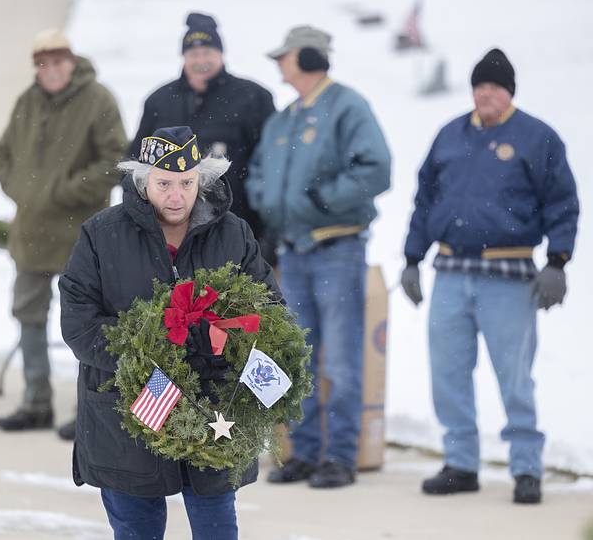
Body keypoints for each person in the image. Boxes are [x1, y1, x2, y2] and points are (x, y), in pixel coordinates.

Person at [59, 126, 278, 539]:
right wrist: (156, 350)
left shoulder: (234, 234)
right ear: (143, 182)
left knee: (217, 528)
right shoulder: (100, 235)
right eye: (164, 184)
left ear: (202, 179)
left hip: (213, 411)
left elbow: (269, 310)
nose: (176, 196)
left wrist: (223, 344)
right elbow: (79, 323)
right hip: (127, 411)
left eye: (186, 183)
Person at [401, 48, 579, 505]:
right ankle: (461, 463)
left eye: (495, 87)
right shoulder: (449, 136)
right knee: (449, 371)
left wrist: (557, 263)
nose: (486, 94)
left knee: (514, 376)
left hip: (509, 274)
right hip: (451, 273)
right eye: (480, 86)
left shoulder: (537, 138)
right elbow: (424, 200)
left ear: (510, 92)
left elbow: (562, 203)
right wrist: (411, 258)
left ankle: (526, 468)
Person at [246, 26, 391, 488]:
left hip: (336, 250)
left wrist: (323, 200)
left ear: (308, 57)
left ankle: (341, 456)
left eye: (284, 57)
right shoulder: (284, 118)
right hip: (293, 253)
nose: (279, 66)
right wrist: (270, 204)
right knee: (297, 357)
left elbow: (377, 167)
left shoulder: (348, 106)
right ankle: (305, 453)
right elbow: (257, 175)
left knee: (341, 362)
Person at [0, 29, 127, 436]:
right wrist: (24, 190)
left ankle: (90, 406)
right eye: (43, 64)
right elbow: (2, 155)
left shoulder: (98, 98)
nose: (51, 70)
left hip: (79, 234)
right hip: (31, 232)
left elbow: (116, 157)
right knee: (29, 314)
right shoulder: (27, 101)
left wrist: (64, 192)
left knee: (86, 323)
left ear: (71, 61)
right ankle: (36, 402)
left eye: (57, 62)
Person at [129, 12, 277, 263]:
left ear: (221, 54)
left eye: (208, 53)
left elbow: (274, 163)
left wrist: (270, 225)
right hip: (171, 234)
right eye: (194, 54)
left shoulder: (253, 97)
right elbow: (135, 163)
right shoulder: (159, 100)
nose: (201, 61)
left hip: (242, 227)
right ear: (184, 56)